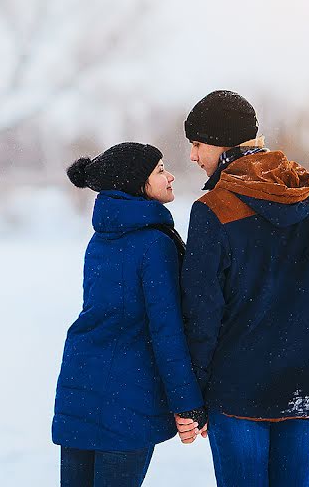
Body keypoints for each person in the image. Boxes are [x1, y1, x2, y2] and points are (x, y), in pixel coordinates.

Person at [176, 90, 309, 487]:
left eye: (197, 144)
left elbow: (202, 314)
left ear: (220, 142)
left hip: (237, 392)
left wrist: (195, 397)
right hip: (302, 385)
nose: (193, 156)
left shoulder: (214, 208)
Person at [52, 142, 206, 487]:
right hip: (127, 398)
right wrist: (187, 404)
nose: (171, 176)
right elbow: (166, 330)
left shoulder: (101, 238)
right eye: (160, 170)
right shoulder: (154, 243)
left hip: (80, 387)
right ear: (137, 183)